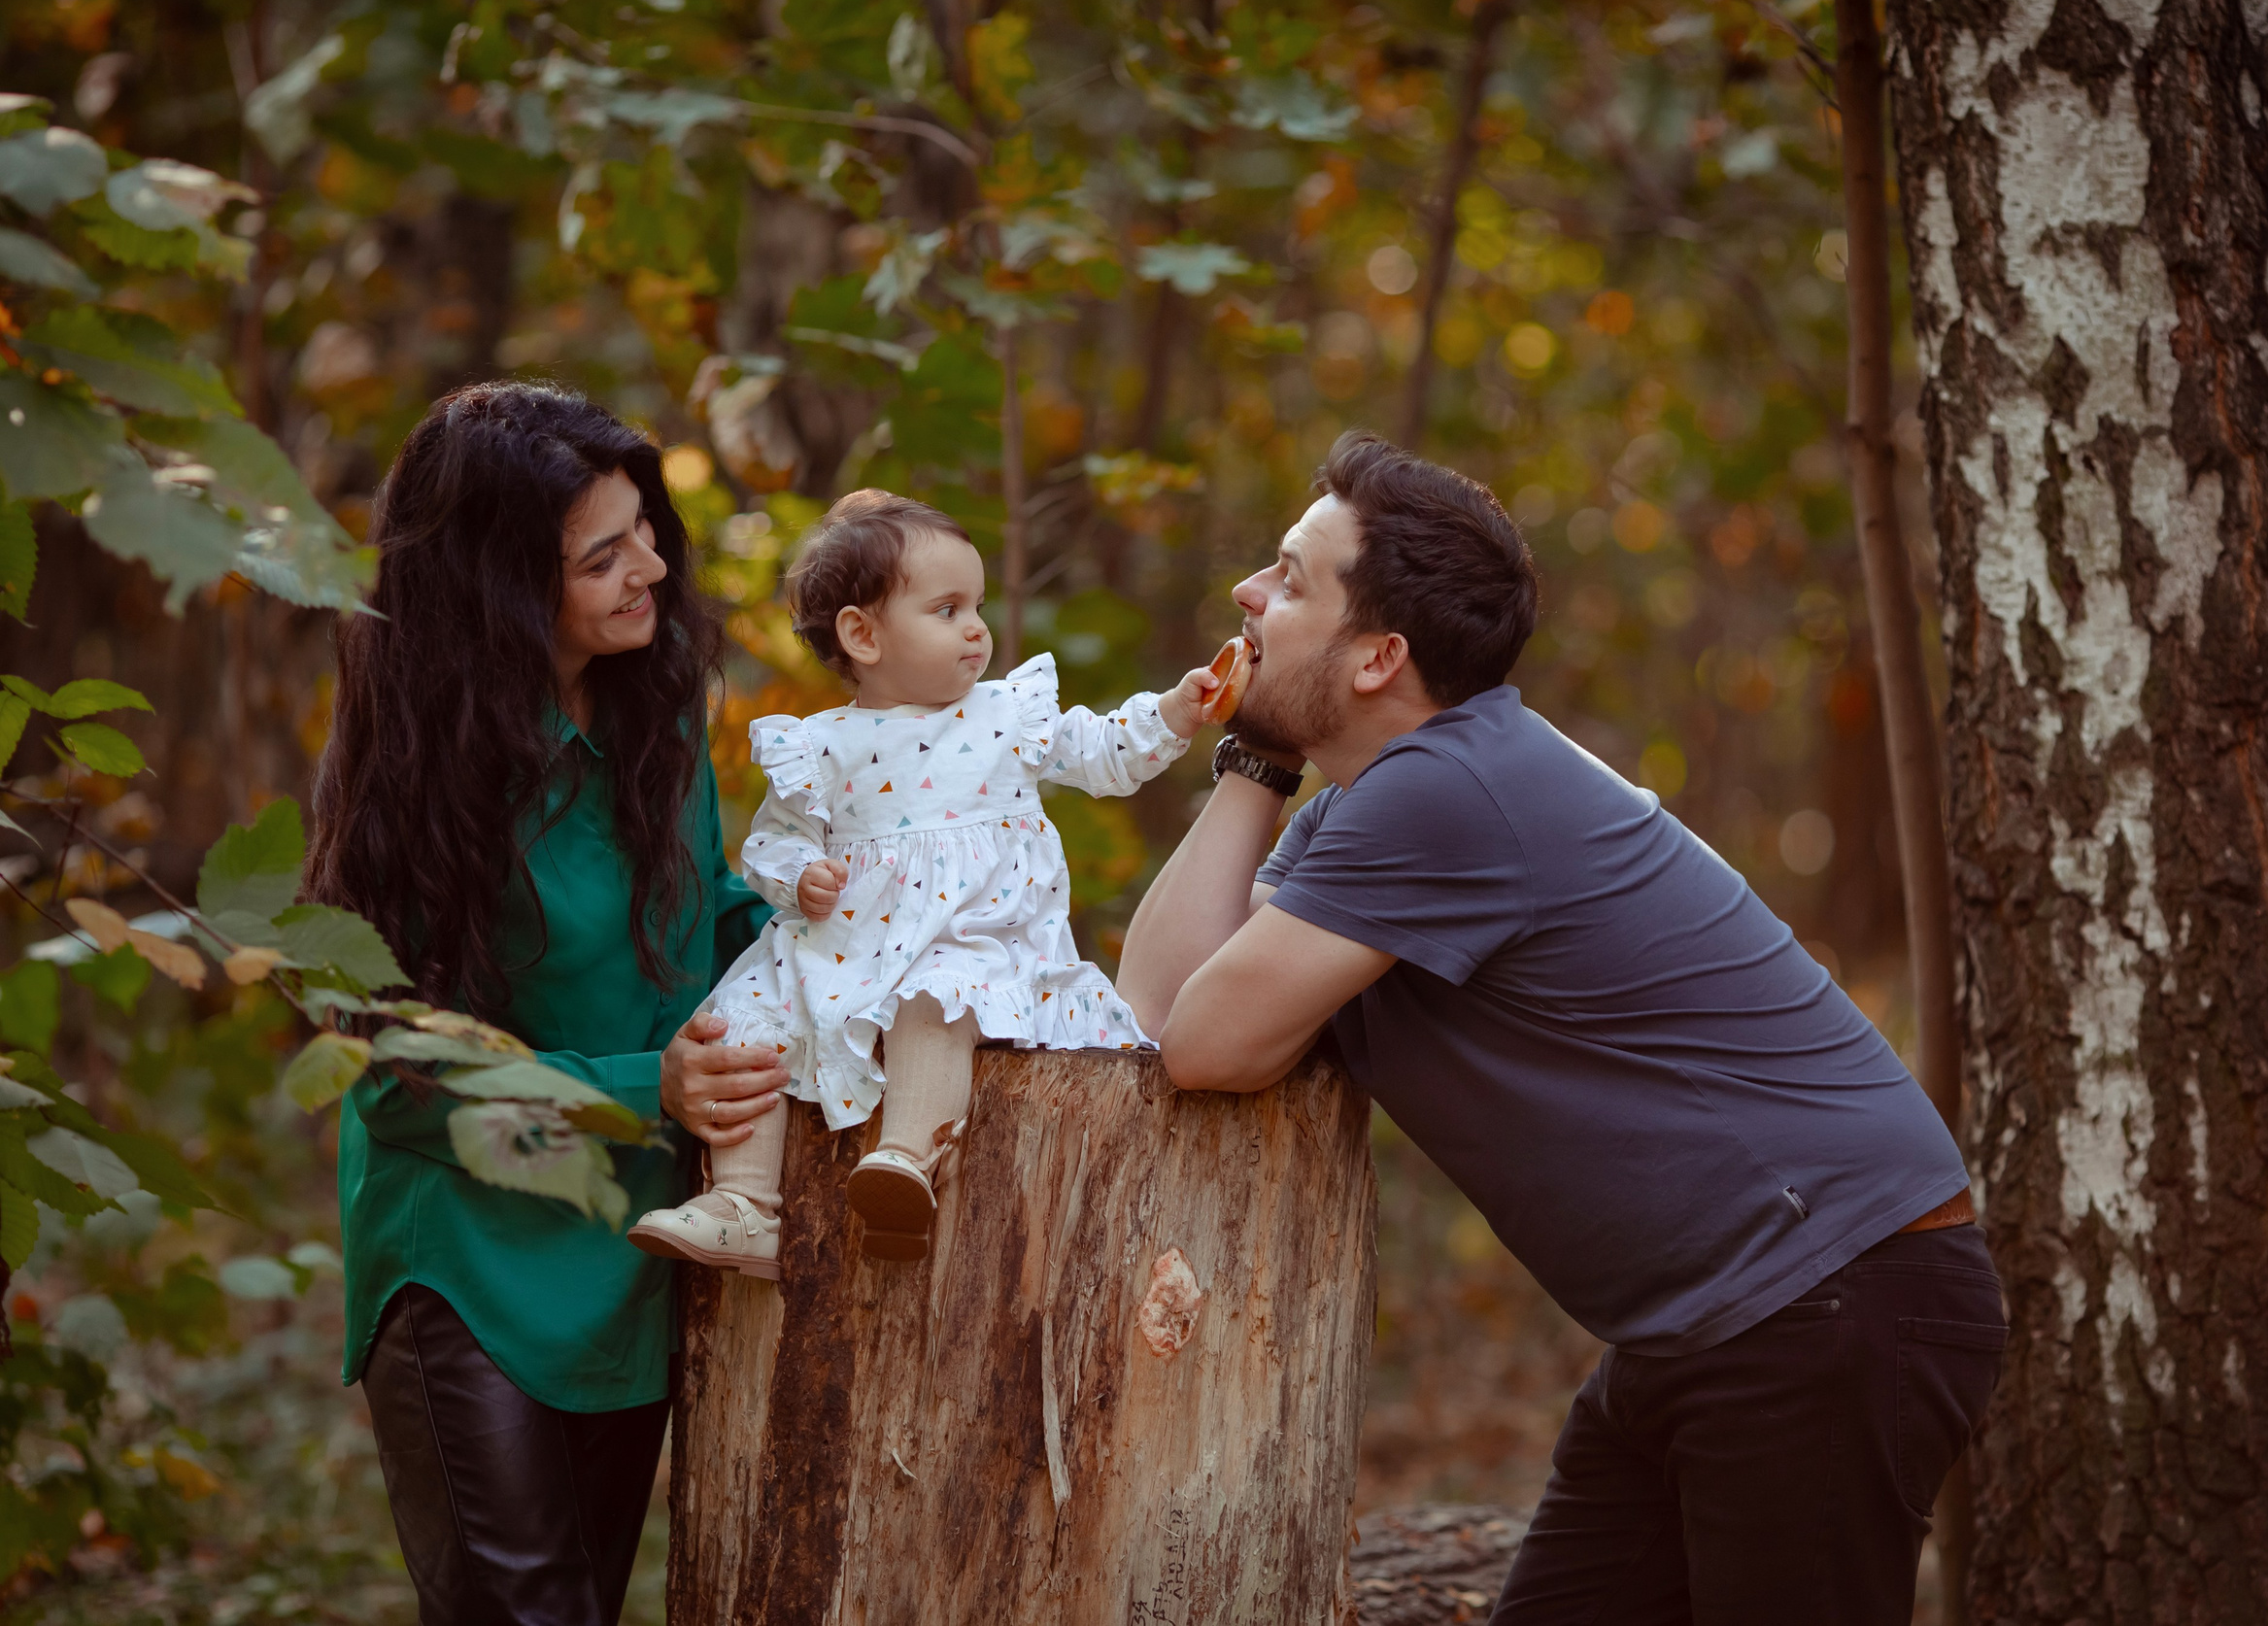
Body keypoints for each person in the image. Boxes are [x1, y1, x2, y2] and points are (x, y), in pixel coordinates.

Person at [1118, 431, 2007, 1624]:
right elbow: (1163, 1005)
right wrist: (1253, 756)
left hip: (1828, 1297)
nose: (1248, 593)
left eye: (1289, 577)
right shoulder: (1377, 806)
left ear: (1379, 656)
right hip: (1724, 1321)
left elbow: (1205, 1050)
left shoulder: (1443, 794)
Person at [307, 382, 791, 1626]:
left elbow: (702, 916)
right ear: (501, 590)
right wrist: (651, 1089)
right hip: (470, 1262)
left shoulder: (653, 698)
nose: (648, 573)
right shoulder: (410, 763)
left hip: (631, 1243)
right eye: (600, 557)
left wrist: (838, 934)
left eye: (645, 533)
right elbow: (396, 1067)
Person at [627, 490, 1223, 1270]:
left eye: (977, 604)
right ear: (862, 634)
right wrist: (800, 874)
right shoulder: (821, 746)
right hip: (844, 945)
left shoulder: (1005, 715)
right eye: (946, 609)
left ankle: (908, 1156)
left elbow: (1102, 750)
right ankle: (745, 1204)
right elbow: (772, 842)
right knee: (742, 1017)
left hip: (972, 939)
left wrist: (1173, 712)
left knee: (937, 1001)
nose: (976, 627)